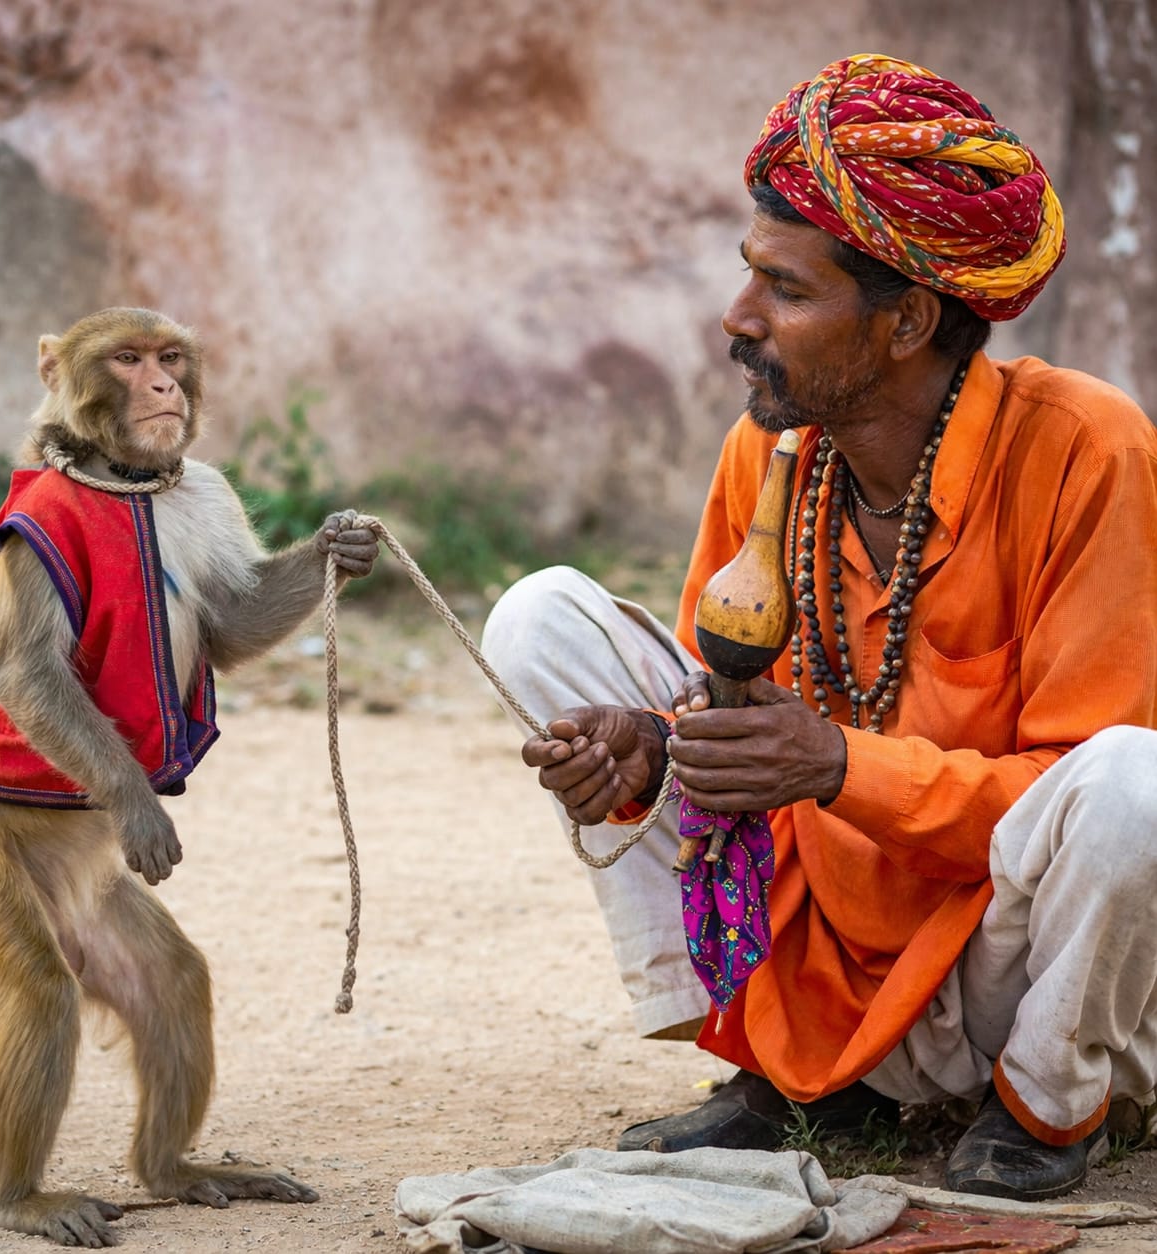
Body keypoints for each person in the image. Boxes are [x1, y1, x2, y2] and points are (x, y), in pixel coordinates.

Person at [481, 52, 1157, 1202]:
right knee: (539, 617)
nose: (739, 320)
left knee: (1139, 783)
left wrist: (843, 767)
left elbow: (1075, 793)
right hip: (814, 936)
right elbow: (725, 707)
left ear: (907, 324)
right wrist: (650, 744)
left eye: (786, 293)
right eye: (752, 277)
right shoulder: (771, 447)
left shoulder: (1088, 449)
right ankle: (769, 1064)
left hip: (995, 972)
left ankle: (1052, 1106)